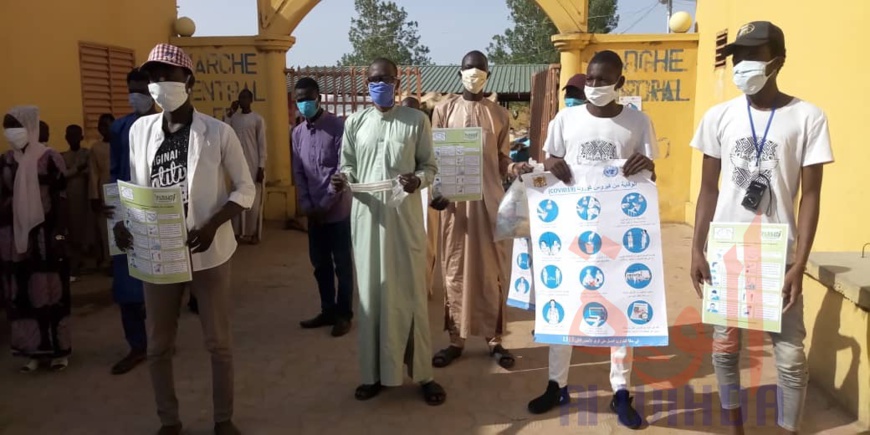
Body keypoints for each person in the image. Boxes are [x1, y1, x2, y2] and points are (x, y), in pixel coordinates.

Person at [689, 22, 832, 435]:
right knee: (724, 348)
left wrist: (799, 264)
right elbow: (709, 189)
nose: (741, 64)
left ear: (778, 61)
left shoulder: (808, 117)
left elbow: (811, 196)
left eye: (753, 56)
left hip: (778, 255)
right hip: (727, 252)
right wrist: (697, 248)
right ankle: (735, 428)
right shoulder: (719, 116)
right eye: (737, 56)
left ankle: (789, 428)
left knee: (789, 357)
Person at [113, 44, 255, 435]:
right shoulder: (140, 131)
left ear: (188, 80)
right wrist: (123, 221)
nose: (159, 83)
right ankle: (169, 420)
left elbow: (245, 189)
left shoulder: (218, 132)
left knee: (218, 343)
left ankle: (223, 419)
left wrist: (213, 225)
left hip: (208, 252)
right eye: (153, 76)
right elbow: (133, 187)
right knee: (158, 345)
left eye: (168, 75)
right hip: (158, 252)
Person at [527, 50, 658, 430]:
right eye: (591, 79)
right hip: (571, 231)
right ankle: (557, 385)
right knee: (564, 305)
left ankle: (621, 390)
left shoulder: (637, 122)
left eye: (603, 79)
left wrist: (649, 167)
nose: (595, 85)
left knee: (621, 310)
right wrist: (550, 164)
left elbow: (650, 176)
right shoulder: (565, 120)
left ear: (620, 82)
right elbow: (548, 166)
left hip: (618, 235)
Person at [331, 57, 446, 406]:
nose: (379, 84)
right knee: (372, 296)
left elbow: (429, 166)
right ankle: (373, 374)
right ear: (366, 84)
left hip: (404, 219)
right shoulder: (355, 123)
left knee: (410, 294)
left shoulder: (416, 120)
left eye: (385, 79)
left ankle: (423, 374)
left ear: (397, 83)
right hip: (367, 220)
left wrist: (418, 180)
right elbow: (347, 166)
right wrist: (342, 180)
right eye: (373, 79)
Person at [429, 51, 532, 370]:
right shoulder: (443, 110)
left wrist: (514, 167)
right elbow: (435, 158)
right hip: (455, 207)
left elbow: (501, 158)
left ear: (488, 75)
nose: (474, 73)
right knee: (455, 270)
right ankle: (455, 340)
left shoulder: (498, 114)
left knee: (492, 272)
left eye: (480, 69)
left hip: (489, 203)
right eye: (469, 68)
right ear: (459, 73)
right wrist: (437, 191)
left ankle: (495, 340)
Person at [1, 106, 71, 373]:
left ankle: (58, 351)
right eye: (7, 127)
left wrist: (61, 235)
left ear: (30, 127)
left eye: (15, 126)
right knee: (22, 295)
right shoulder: (6, 161)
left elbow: (61, 199)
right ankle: (32, 351)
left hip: (46, 236)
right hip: (15, 239)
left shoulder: (50, 158)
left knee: (50, 292)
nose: (11, 132)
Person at [291, 77, 354, 337]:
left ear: (318, 98)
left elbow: (341, 170)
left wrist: (325, 204)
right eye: (299, 99)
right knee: (320, 265)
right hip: (313, 214)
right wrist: (307, 206)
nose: (304, 103)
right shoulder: (297, 133)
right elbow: (299, 172)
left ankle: (344, 314)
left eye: (308, 98)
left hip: (337, 212)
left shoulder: (337, 127)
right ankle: (327, 310)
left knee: (342, 265)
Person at [105, 68, 157, 375]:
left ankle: (161, 340)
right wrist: (112, 207)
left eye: (142, 90)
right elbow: (114, 171)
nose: (136, 96)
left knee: (161, 284)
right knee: (126, 285)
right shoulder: (119, 128)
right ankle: (137, 346)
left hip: (159, 212)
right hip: (126, 213)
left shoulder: (170, 126)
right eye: (132, 90)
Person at [225, 89, 267, 244]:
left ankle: (253, 233)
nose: (242, 100)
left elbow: (262, 144)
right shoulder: (234, 118)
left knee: (254, 201)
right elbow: (225, 130)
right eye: (240, 97)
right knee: (236, 197)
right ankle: (237, 232)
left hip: (254, 164)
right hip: (237, 163)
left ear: (251, 100)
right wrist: (230, 112)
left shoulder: (257, 119)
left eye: (245, 97)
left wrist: (261, 166)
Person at [62, 124, 94, 280]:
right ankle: (74, 262)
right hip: (70, 198)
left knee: (87, 229)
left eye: (76, 135)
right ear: (66, 138)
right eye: (70, 135)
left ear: (81, 137)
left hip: (86, 197)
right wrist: (77, 169)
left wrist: (77, 170)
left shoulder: (87, 154)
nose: (73, 138)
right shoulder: (63, 157)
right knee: (72, 231)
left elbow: (91, 171)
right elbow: (63, 175)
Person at [89, 113, 115, 270]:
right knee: (105, 228)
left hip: (121, 188)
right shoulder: (96, 148)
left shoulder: (122, 144)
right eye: (101, 125)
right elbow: (94, 173)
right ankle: (109, 260)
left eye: (107, 125)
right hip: (104, 190)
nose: (104, 128)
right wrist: (94, 196)